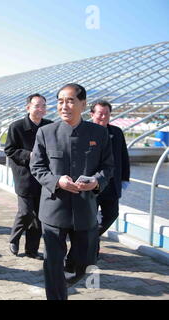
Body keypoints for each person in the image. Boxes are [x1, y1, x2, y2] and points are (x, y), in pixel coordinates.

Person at [30, 83, 114, 300]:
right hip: (53, 209)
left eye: (70, 101)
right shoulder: (45, 132)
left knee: (85, 263)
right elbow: (37, 167)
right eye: (60, 101)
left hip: (85, 209)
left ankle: (70, 276)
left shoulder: (99, 133)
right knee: (53, 264)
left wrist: (95, 182)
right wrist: (57, 181)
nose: (64, 106)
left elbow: (108, 167)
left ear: (83, 104)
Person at [65, 99, 130, 276]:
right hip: (88, 186)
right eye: (100, 113)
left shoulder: (116, 132)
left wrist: (125, 179)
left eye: (107, 114)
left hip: (110, 185)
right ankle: (80, 257)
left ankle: (89, 244)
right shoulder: (84, 131)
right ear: (92, 114)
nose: (103, 117)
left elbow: (123, 156)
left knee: (110, 215)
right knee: (88, 223)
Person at [4, 93, 52, 259]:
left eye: (43, 106)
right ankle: (14, 238)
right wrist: (30, 155)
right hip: (24, 175)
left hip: (44, 177)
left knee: (39, 216)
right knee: (25, 212)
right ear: (28, 107)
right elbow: (9, 150)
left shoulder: (49, 126)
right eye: (37, 105)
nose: (40, 109)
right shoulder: (16, 127)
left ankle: (32, 251)